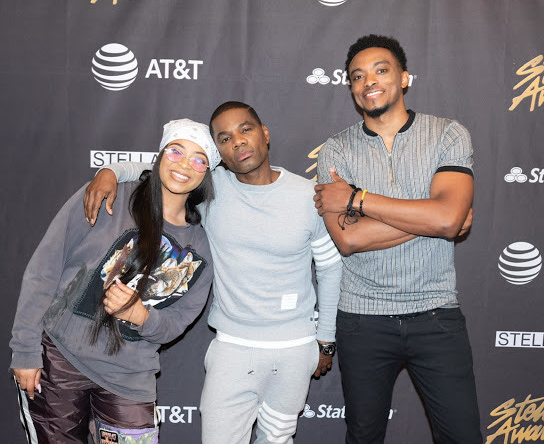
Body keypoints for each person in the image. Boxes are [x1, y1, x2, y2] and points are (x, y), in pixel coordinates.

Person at [83, 101, 342, 444]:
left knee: (278, 438)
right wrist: (111, 172)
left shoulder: (309, 195)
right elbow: (159, 165)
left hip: (295, 349)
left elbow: (329, 267)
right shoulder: (210, 188)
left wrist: (325, 341)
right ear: (218, 153)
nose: (237, 141)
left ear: (264, 134)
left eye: (245, 129)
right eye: (224, 138)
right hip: (232, 347)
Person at [313, 34, 482, 443]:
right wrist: (434, 215)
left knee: (462, 436)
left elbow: (446, 219)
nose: (368, 81)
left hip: (436, 313)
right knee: (363, 437)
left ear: (404, 78)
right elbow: (349, 240)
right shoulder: (335, 151)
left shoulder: (447, 135)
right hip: (362, 321)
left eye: (381, 70)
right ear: (352, 89)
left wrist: (358, 198)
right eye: (357, 76)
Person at [10, 119, 218, 443]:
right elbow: (43, 271)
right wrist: (24, 350)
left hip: (130, 378)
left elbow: (178, 322)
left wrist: (141, 316)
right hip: (60, 360)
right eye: (176, 151)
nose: (183, 165)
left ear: (206, 172)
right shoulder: (108, 195)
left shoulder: (199, 247)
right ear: (161, 154)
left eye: (198, 158)